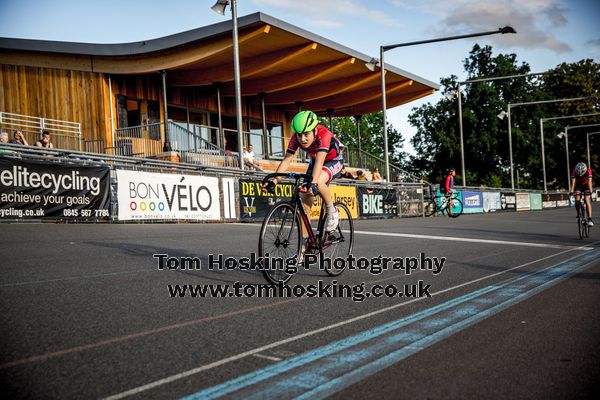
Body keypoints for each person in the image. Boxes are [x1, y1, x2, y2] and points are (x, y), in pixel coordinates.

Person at [266, 110, 344, 234]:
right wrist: (274, 180)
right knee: (304, 203)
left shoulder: (324, 134)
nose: (302, 139)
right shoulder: (296, 137)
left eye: (306, 134)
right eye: (299, 135)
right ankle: (305, 244)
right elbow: (287, 160)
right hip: (315, 160)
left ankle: (332, 211)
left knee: (317, 182)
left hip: (333, 160)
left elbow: (320, 162)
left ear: (315, 130)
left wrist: (313, 183)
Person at [570, 162, 593, 226]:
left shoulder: (589, 170)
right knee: (577, 200)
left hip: (586, 185)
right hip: (578, 186)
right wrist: (571, 191)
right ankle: (578, 215)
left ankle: (590, 219)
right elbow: (573, 182)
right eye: (578, 174)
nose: (580, 175)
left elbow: (589, 182)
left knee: (586, 200)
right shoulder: (574, 171)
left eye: (582, 173)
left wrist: (590, 191)